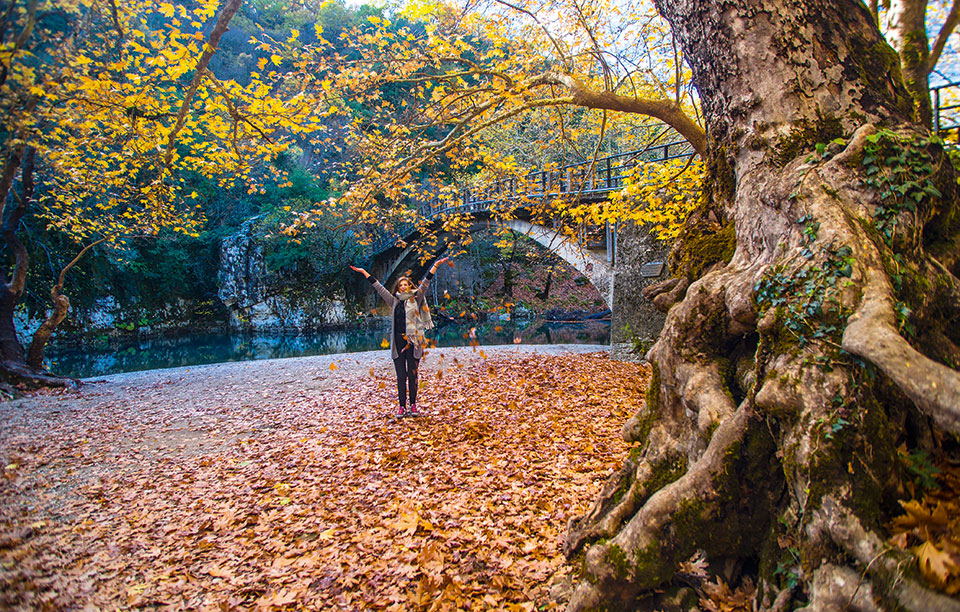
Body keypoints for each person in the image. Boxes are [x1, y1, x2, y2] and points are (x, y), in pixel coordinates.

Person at [350, 256, 450, 418]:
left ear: (409, 286)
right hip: (398, 341)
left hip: (414, 342)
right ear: (398, 287)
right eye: (401, 285)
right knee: (401, 376)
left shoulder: (416, 298)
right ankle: (402, 407)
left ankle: (413, 405)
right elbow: (379, 288)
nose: (403, 287)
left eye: (406, 285)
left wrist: (435, 265)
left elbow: (425, 283)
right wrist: (364, 273)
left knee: (413, 375)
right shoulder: (393, 301)